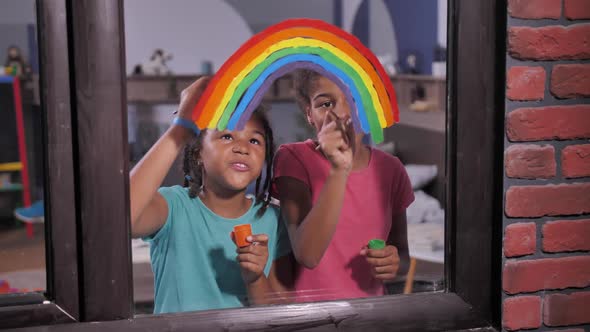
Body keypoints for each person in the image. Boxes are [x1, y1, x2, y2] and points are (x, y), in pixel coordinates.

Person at [130, 77, 292, 313]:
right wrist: (181, 128)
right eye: (227, 136)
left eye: (255, 140)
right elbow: (120, 219)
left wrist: (256, 278)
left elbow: (282, 312)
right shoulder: (174, 208)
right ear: (197, 153)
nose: (242, 147)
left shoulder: (274, 219)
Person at [272, 70, 414, 302]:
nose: (340, 112)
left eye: (355, 101)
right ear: (309, 114)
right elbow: (307, 254)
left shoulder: (391, 169)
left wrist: (393, 263)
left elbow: (403, 257)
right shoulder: (293, 158)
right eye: (326, 103)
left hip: (370, 314)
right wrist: (339, 169)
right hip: (312, 317)